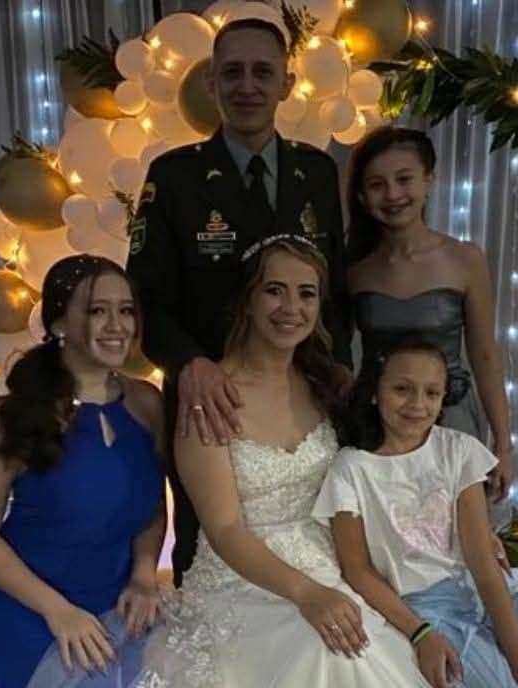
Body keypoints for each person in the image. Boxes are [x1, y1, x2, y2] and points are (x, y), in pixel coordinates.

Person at [131, 235, 429, 687]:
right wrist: (307, 595)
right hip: (244, 579)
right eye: (274, 290)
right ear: (248, 300)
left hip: (332, 565)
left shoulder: (327, 386)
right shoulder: (209, 396)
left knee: (368, 648)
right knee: (323, 655)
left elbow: (384, 472)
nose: (291, 307)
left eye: (306, 293)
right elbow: (225, 528)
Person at [126, 16, 352, 585]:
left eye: (262, 72)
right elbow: (143, 298)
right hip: (211, 398)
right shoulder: (175, 177)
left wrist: (340, 375)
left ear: (286, 83)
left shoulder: (318, 173)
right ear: (211, 84)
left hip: (304, 396)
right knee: (205, 546)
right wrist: (186, 364)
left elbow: (335, 291)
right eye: (232, 73)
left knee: (319, 530)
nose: (246, 86)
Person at [312, 338, 518, 688]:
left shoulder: (458, 451)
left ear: (444, 397)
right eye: (402, 389)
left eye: (431, 393)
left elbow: (481, 562)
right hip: (421, 610)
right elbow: (358, 569)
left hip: (481, 592)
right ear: (374, 392)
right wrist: (420, 632)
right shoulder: (351, 469)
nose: (417, 404)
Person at [0, 255, 165, 688]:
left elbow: (149, 505)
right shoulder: (15, 416)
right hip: (32, 612)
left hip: (118, 606)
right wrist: (58, 612)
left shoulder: (147, 404)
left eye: (126, 310)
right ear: (58, 324)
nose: (117, 325)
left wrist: (145, 573)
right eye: (96, 310)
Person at [346, 126, 513, 499]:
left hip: (451, 418)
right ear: (361, 196)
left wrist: (503, 444)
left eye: (404, 179)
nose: (392, 195)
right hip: (378, 424)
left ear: (429, 180)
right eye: (377, 184)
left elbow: (485, 354)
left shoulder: (465, 259)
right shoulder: (355, 270)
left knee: (454, 533)